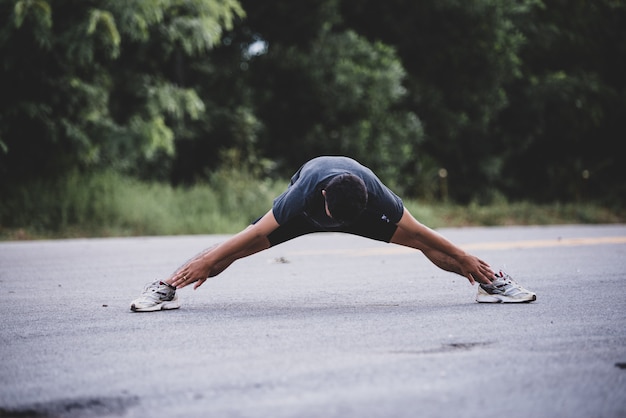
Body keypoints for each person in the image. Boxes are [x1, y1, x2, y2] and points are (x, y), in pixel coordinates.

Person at [130, 156, 536, 312]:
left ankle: (490, 284)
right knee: (226, 253)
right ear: (323, 196)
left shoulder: (376, 197)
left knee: (422, 245)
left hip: (355, 208)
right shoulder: (299, 199)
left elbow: (424, 235)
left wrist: (467, 259)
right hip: (307, 214)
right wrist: (204, 263)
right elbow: (247, 238)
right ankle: (166, 288)